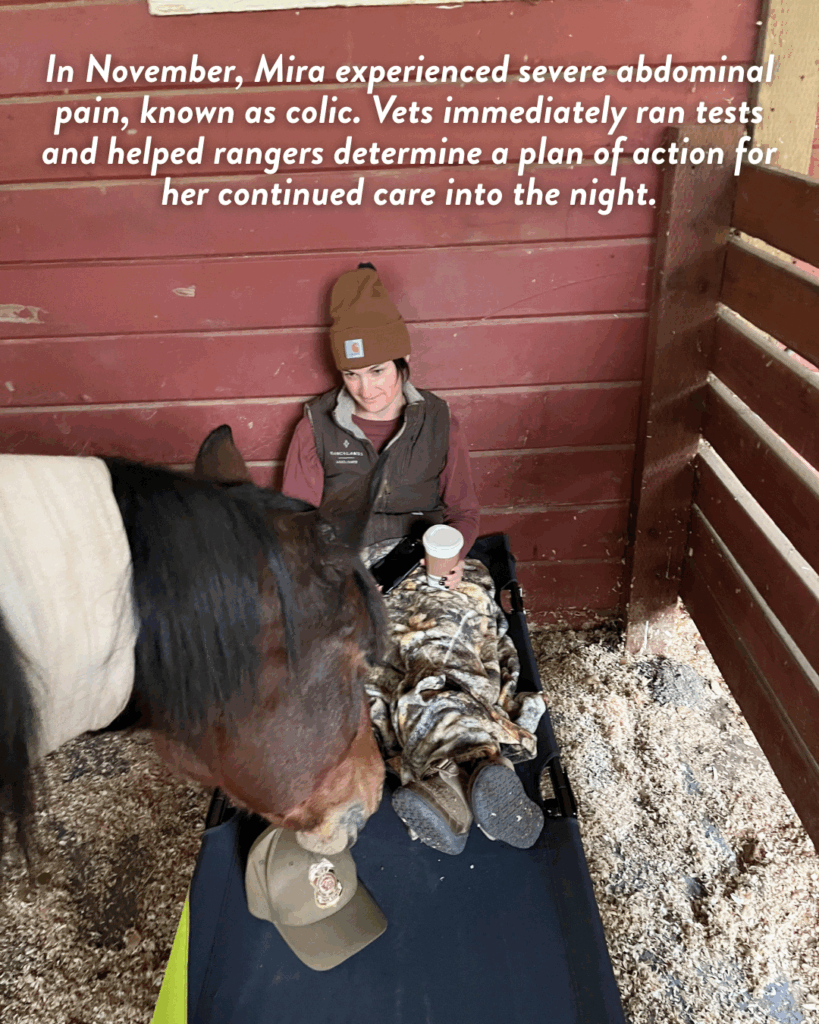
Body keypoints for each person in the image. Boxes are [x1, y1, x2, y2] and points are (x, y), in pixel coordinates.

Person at [282, 263, 545, 856]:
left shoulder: (438, 421)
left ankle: (446, 786)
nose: (367, 388)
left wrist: (450, 556)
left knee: (448, 640)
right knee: (368, 672)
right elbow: (295, 528)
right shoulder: (315, 428)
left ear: (402, 362)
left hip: (429, 560)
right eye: (351, 373)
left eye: (377, 369)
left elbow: (466, 511)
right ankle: (473, 765)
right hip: (354, 571)